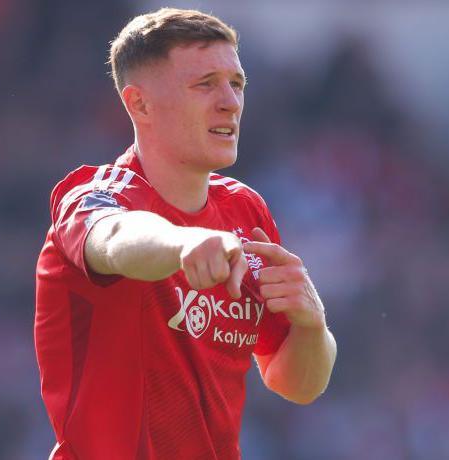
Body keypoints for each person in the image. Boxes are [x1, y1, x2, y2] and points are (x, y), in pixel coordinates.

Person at [35, 8, 337, 459]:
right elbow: (115, 241)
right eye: (205, 84)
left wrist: (312, 327)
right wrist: (183, 243)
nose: (230, 102)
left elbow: (296, 383)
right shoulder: (94, 195)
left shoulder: (244, 209)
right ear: (140, 104)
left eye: (236, 84)